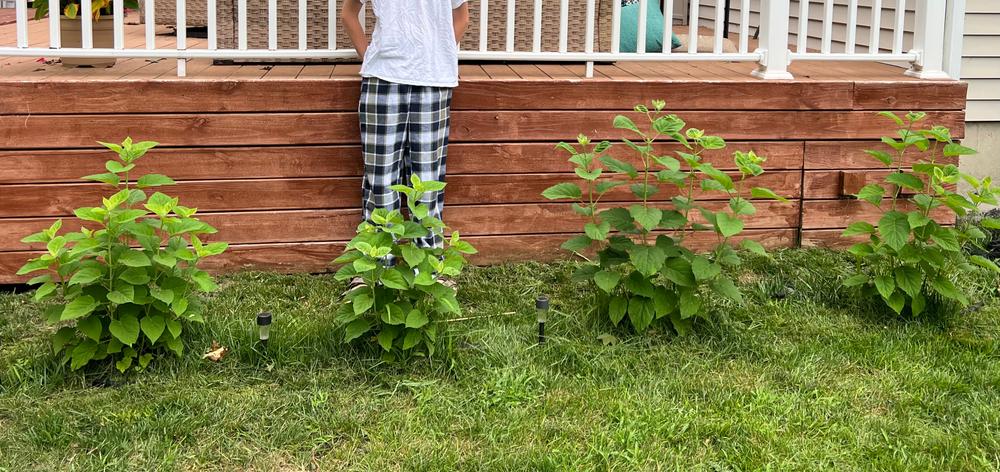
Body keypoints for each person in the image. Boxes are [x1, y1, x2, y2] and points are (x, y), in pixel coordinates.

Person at [340, 0, 470, 289]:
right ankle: (374, 271)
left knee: (427, 178)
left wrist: (436, 52)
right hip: (382, 80)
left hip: (434, 82)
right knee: (380, 177)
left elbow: (462, 18)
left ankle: (428, 268)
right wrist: (369, 57)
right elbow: (349, 13)